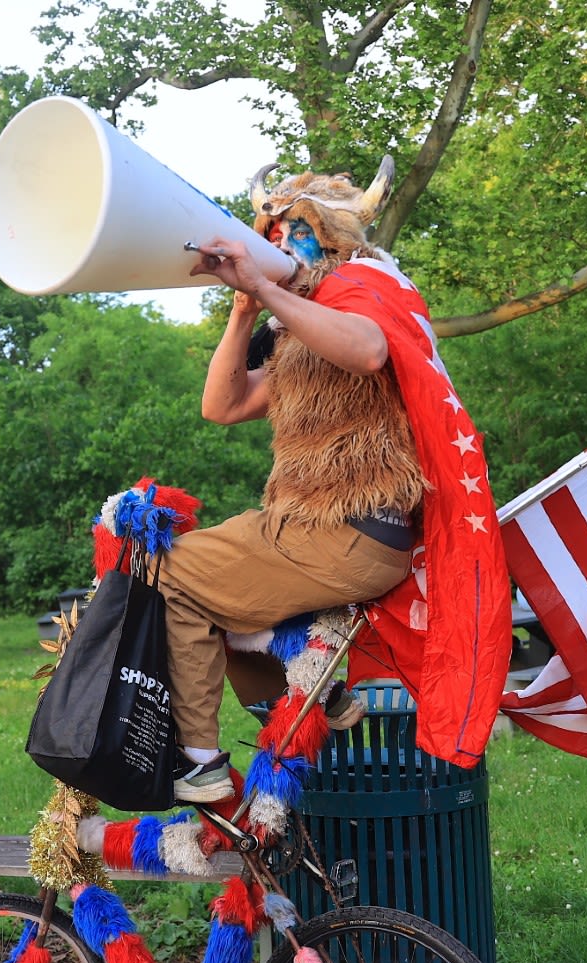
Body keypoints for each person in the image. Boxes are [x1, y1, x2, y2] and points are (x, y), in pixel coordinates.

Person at [158, 159, 504, 804]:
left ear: (335, 235)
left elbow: (369, 349)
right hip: (308, 529)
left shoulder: (362, 287)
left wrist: (267, 289)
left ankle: (202, 761)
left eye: (296, 229)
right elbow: (222, 407)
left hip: (341, 532)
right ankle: (306, 697)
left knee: (167, 574)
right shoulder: (299, 329)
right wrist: (240, 311)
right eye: (273, 229)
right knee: (214, 592)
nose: (280, 241)